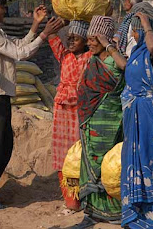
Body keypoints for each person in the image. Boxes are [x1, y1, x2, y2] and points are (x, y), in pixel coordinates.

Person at [0, 0, 64, 208]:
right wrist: (44, 35)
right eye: (1, 8)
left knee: (5, 146)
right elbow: (19, 54)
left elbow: (18, 45)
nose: (5, 11)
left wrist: (35, 25)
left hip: (2, 95)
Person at [74, 15, 127, 227]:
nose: (89, 43)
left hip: (110, 120)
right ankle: (93, 211)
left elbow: (124, 68)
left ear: (104, 39)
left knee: (107, 164)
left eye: (94, 39)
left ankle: (114, 212)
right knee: (90, 162)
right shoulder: (93, 60)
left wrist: (109, 45)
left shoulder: (115, 60)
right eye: (89, 39)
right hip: (91, 120)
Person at [121, 11, 153, 228]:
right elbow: (125, 67)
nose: (133, 32)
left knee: (151, 161)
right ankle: (136, 219)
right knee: (132, 163)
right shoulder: (137, 52)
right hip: (134, 113)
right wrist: (108, 45)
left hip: (150, 112)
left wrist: (145, 23)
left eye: (136, 28)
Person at [47, 20, 92, 210]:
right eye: (69, 36)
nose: (70, 40)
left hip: (80, 110)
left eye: (76, 37)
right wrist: (59, 22)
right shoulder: (64, 56)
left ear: (86, 40)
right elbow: (50, 36)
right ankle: (70, 198)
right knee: (62, 154)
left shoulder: (91, 57)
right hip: (62, 111)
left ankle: (84, 195)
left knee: (80, 153)